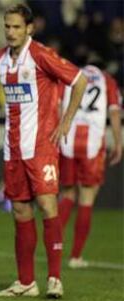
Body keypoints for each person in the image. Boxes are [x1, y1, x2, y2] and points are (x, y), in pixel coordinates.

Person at [0, 4, 87, 299]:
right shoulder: (0, 60)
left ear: (30, 28)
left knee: (48, 206)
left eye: (17, 27)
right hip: (13, 149)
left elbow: (80, 79)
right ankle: (26, 282)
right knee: (20, 211)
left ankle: (55, 278)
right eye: (7, 26)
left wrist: (66, 121)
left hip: (41, 146)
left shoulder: (41, 55)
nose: (11, 32)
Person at [57, 61, 122, 269]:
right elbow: (114, 112)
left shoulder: (70, 76)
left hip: (68, 139)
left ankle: (54, 246)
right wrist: (118, 142)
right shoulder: (107, 80)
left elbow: (57, 106)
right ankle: (75, 257)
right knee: (87, 197)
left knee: (67, 195)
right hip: (92, 143)